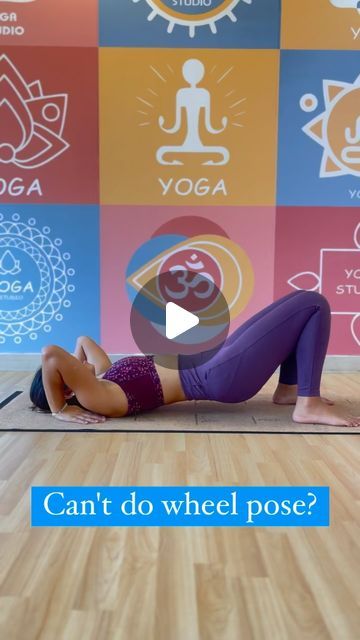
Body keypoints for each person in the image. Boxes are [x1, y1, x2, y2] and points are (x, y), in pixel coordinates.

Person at [30, 290, 360, 427]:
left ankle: (290, 389)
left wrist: (75, 373)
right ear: (69, 387)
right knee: (314, 304)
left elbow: (82, 341)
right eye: (72, 372)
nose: (79, 362)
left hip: (217, 358)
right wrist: (60, 408)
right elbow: (50, 354)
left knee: (300, 304)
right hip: (221, 373)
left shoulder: (103, 379)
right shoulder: (98, 397)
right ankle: (307, 404)